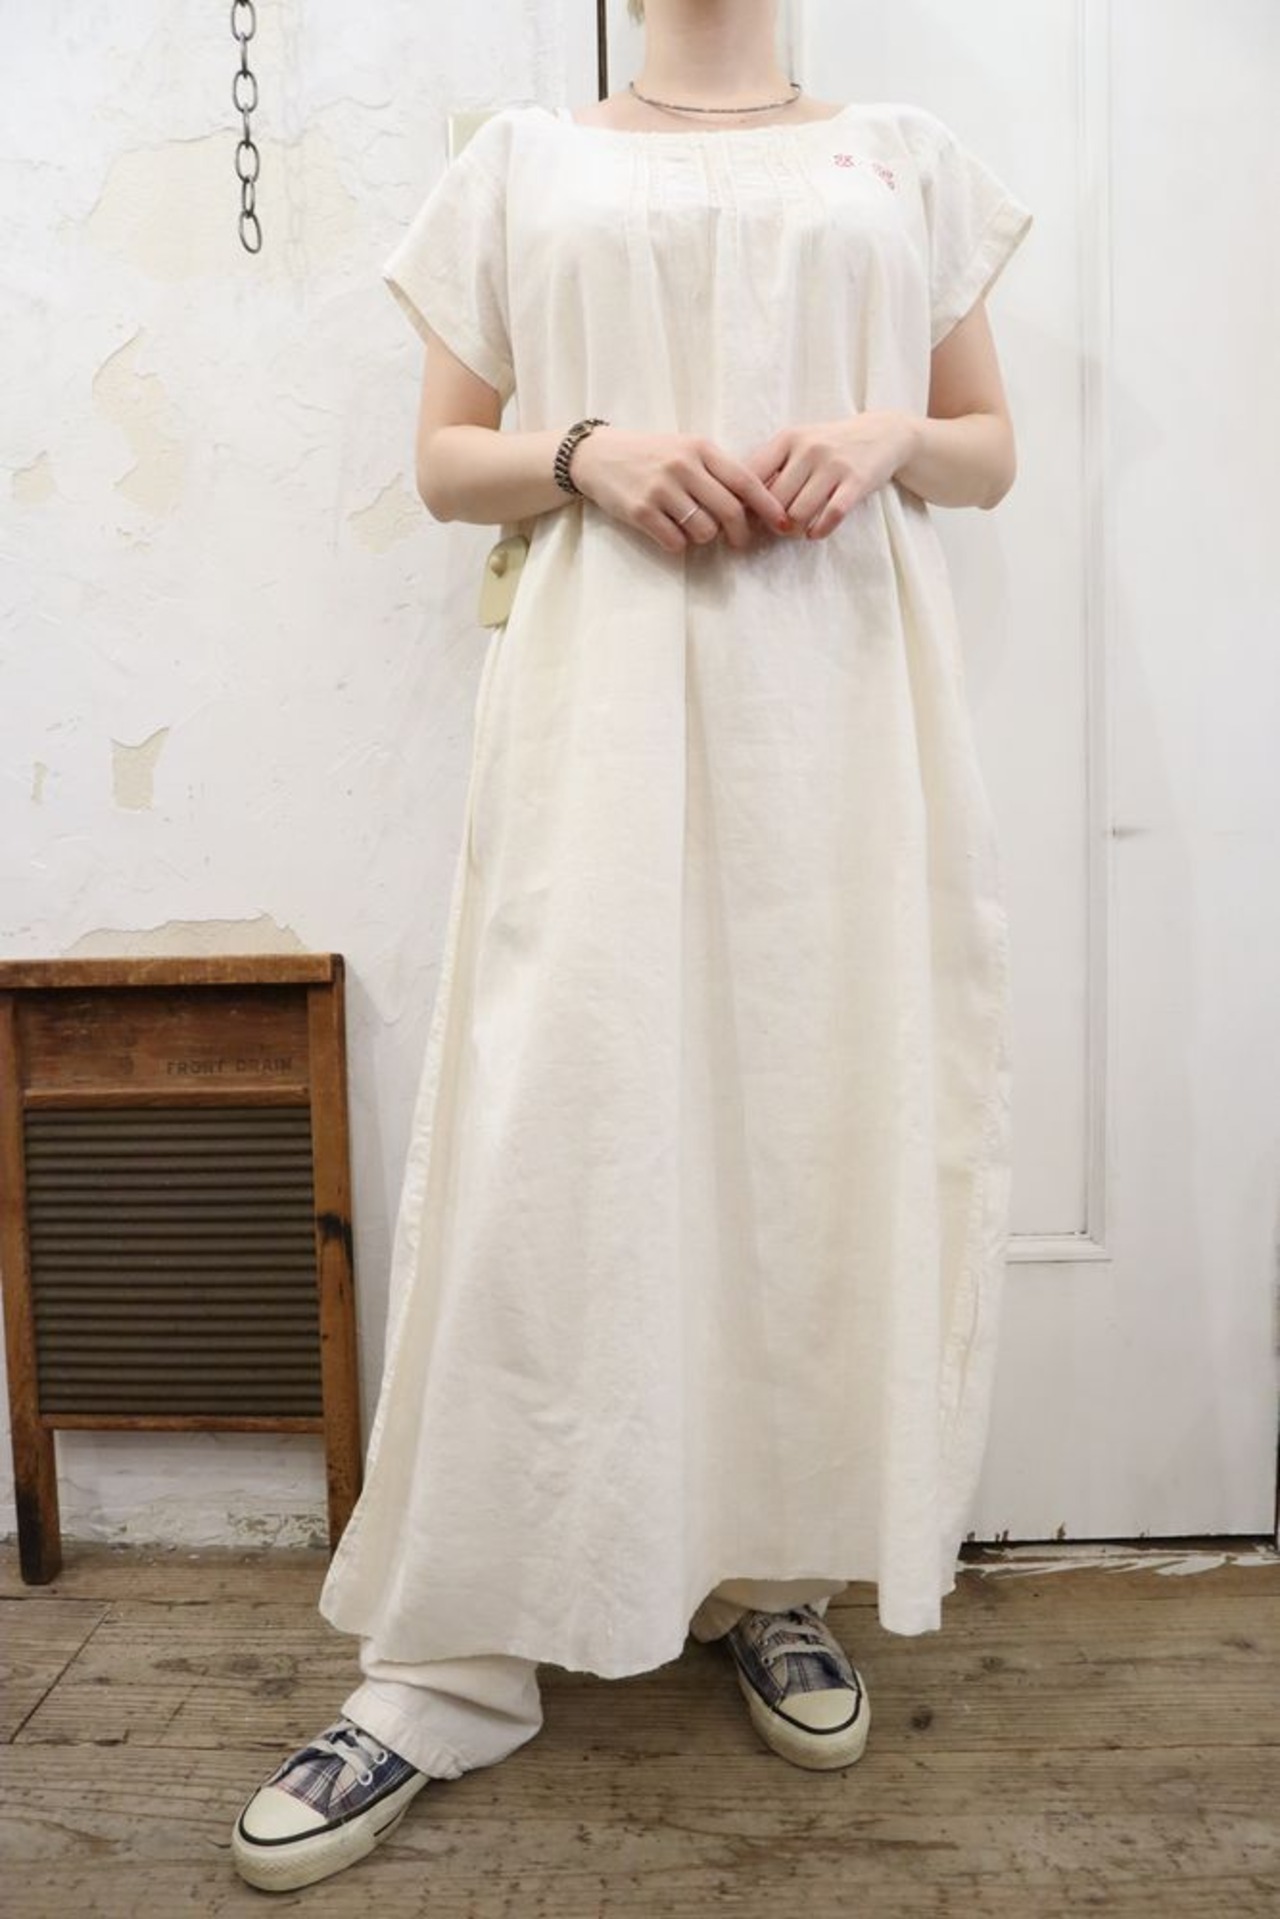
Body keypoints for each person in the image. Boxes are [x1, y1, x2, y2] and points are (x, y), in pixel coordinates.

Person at [232, 0, 1033, 1893]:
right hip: (599, 704)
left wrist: (891, 433)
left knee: (806, 1137)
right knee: (554, 1134)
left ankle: (772, 1570)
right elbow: (447, 464)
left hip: (840, 716)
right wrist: (583, 449)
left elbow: (991, 452)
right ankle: (445, 1660)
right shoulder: (524, 162)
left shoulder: (908, 157)